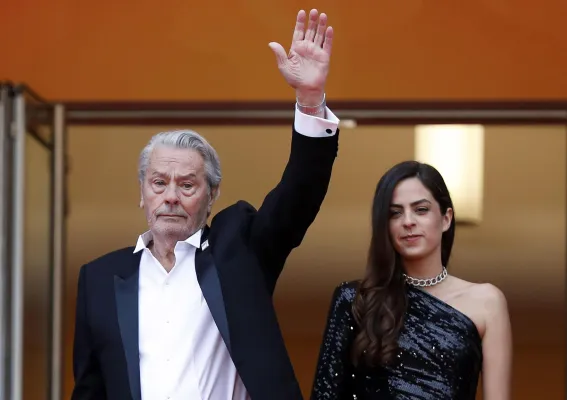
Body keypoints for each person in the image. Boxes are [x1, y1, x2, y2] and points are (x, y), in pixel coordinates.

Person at [71, 9, 340, 400]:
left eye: (187, 185)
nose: (171, 196)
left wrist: (310, 101)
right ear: (142, 192)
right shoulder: (99, 279)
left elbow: (298, 193)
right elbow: (90, 390)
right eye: (159, 183)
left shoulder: (240, 251)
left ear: (212, 195)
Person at [310, 161, 513, 400]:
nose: (408, 221)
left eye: (421, 209)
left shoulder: (487, 302)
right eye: (395, 213)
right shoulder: (356, 300)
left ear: (446, 219)